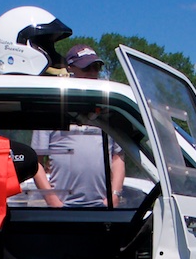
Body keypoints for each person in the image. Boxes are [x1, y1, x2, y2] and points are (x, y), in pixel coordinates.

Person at [29, 45, 125, 208]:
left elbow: (118, 158)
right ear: (70, 69)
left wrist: (114, 196)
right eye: (86, 67)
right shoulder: (52, 110)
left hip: (103, 208)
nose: (92, 72)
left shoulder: (109, 111)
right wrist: (53, 201)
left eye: (96, 67)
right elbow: (36, 162)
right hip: (63, 210)